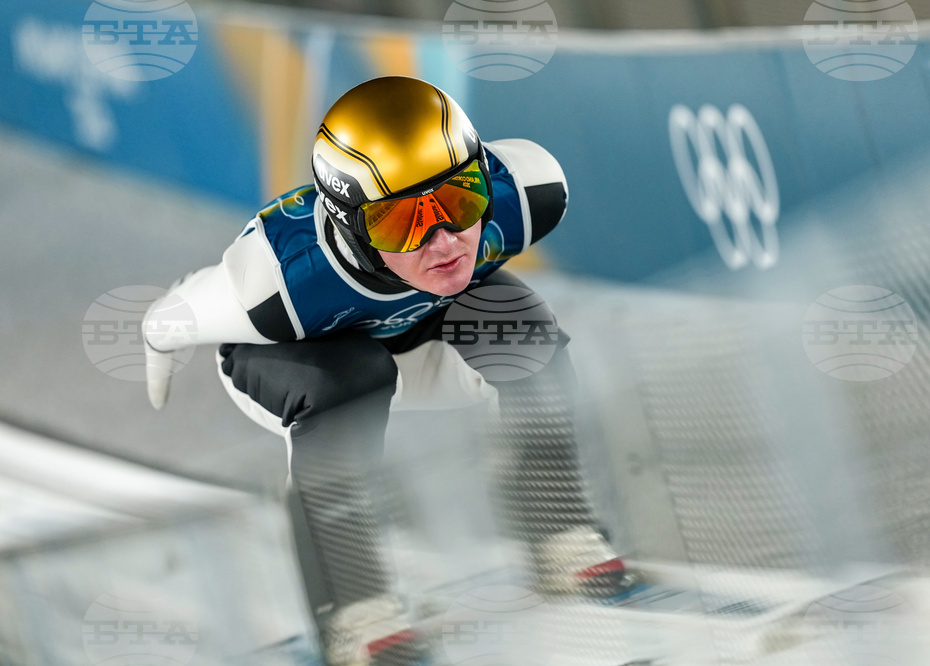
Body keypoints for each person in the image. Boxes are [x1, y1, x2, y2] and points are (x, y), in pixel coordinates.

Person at [143, 76, 632, 666]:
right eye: (403, 223)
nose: (445, 240)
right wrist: (162, 347)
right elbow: (168, 317)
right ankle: (354, 609)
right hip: (303, 364)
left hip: (418, 341)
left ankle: (557, 527)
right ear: (351, 226)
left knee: (523, 326)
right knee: (351, 379)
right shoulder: (276, 285)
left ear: (484, 179)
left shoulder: (529, 191)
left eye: (460, 200)